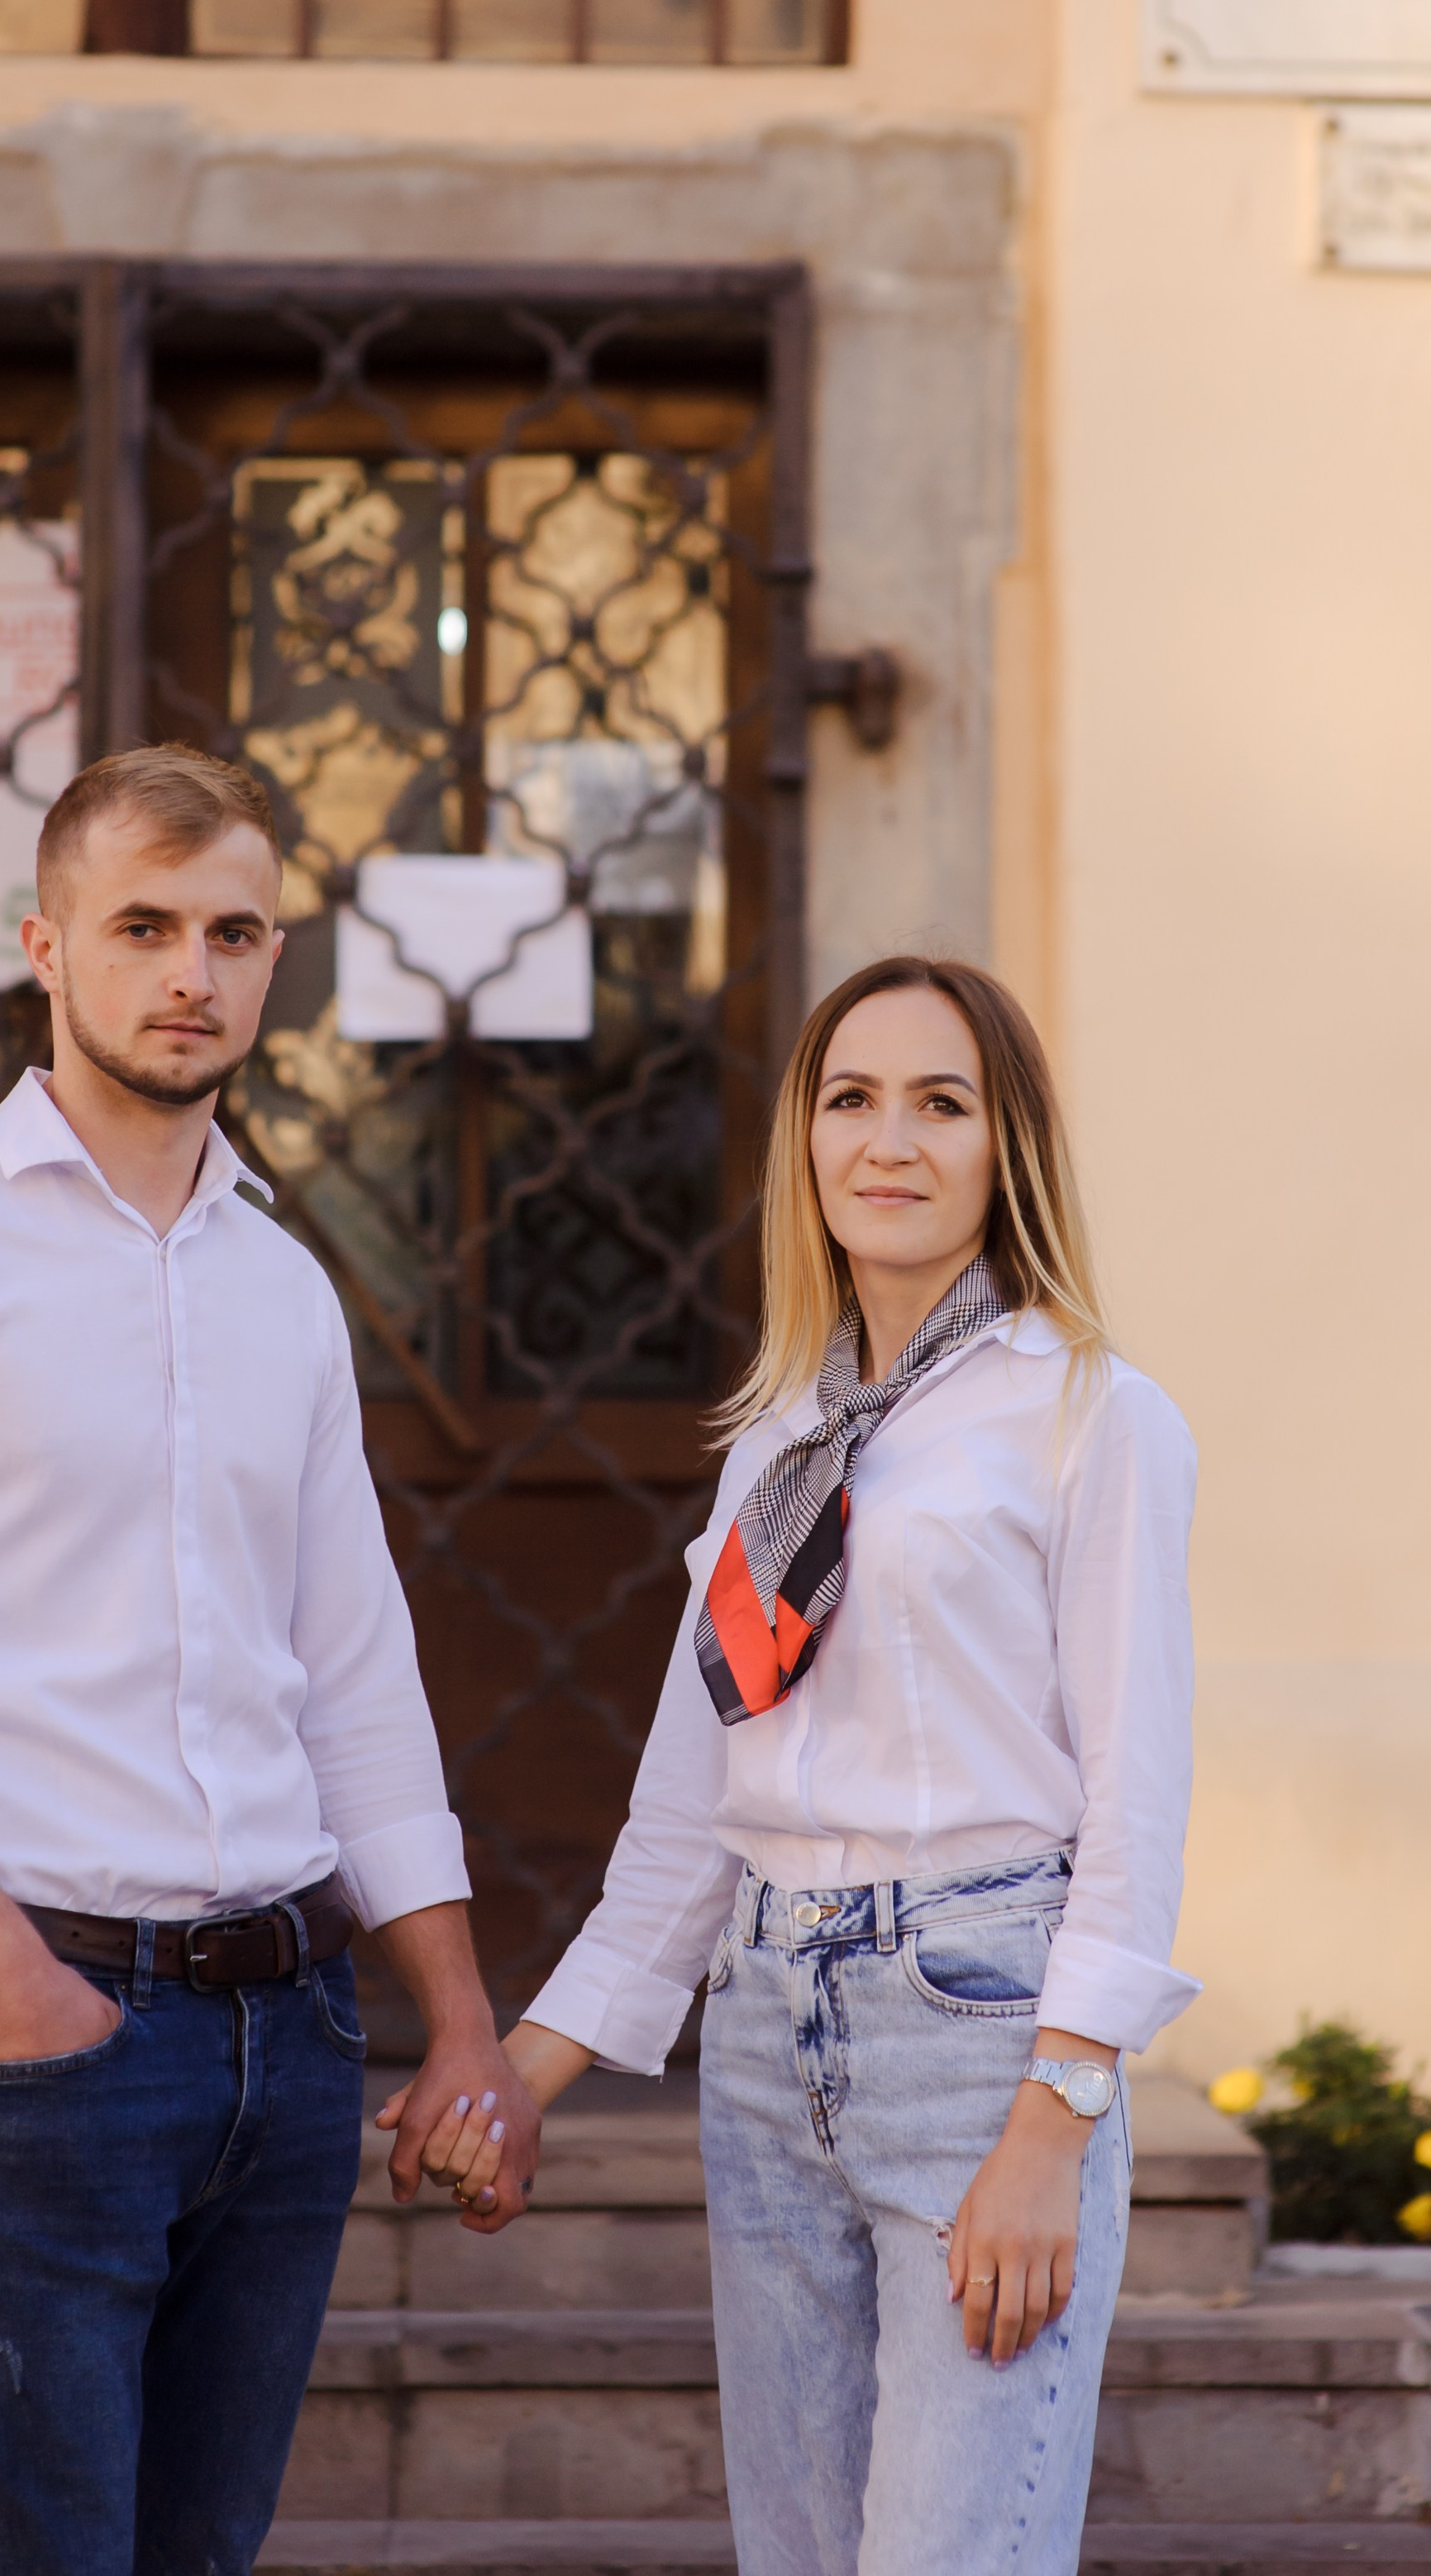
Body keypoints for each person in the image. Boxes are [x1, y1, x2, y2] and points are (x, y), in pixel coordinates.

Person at [0, 743, 537, 2576]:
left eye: (234, 929)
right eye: (144, 923)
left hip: (291, 2042)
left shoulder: (286, 1282)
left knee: (203, 2554)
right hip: (41, 2031)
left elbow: (354, 1666)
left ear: (275, 959)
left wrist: (460, 2019)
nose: (191, 968)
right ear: (48, 943)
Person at [422, 953, 1198, 2576]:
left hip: (979, 2031)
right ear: (807, 1142)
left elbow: (1135, 1795)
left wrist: (1054, 2117)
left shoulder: (1094, 1417)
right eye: (852, 1098)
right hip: (768, 2041)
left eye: (941, 1101)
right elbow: (692, 1810)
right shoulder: (777, 1437)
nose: (889, 1139)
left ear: (1010, 1146)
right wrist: (521, 2075)